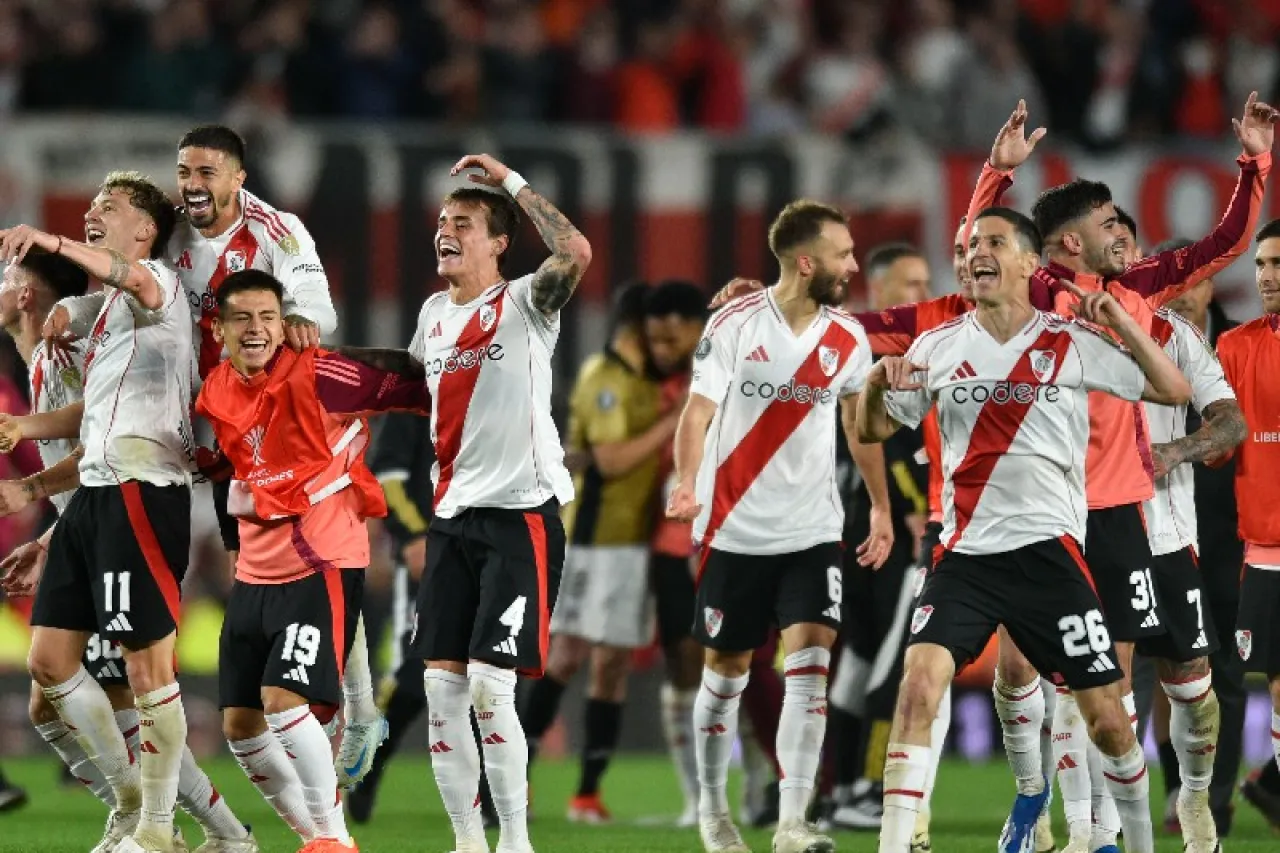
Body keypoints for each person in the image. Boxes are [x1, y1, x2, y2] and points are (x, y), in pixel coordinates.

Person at [45, 125, 385, 791]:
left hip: (263, 427)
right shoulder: (170, 230)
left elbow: (321, 309)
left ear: (237, 178)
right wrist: (76, 312)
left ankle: (363, 706)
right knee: (248, 567)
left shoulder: (277, 231)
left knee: (309, 563)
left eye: (206, 172)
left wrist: (294, 319)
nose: (192, 185)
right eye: (184, 172)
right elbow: (135, 288)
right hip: (198, 432)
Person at [860, 206, 1193, 853]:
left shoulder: (1069, 342)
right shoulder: (938, 345)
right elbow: (872, 428)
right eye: (968, 244)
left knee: (1109, 721)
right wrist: (876, 384)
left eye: (992, 242)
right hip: (966, 558)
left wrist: (1122, 321)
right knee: (918, 688)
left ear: (1028, 262)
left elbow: (1172, 389)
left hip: (1051, 558)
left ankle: (1140, 842)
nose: (974, 254)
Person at [341, 153, 591, 853]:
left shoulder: (526, 303)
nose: (445, 231)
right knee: (442, 689)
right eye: (443, 221)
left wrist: (509, 182)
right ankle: (466, 842)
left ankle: (513, 840)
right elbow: (410, 380)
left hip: (521, 518)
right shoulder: (433, 314)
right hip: (452, 521)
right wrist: (324, 367)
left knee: (489, 685)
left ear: (499, 241)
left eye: (464, 222)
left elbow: (575, 250)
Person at [0, 253, 258, 852]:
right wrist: (51, 536)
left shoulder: (66, 354)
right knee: (52, 703)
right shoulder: (40, 356)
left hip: (124, 519)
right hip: (89, 527)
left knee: (114, 700)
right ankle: (215, 831)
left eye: (6, 276)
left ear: (28, 296)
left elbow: (97, 443)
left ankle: (147, 816)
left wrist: (36, 494)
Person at [666, 199, 893, 853]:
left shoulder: (848, 337)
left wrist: (877, 505)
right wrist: (687, 480)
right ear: (805, 261)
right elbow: (697, 412)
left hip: (813, 529)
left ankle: (794, 821)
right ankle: (714, 814)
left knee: (811, 661)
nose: (853, 265)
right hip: (733, 528)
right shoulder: (735, 323)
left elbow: (859, 426)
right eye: (843, 254)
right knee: (728, 673)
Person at [197, 269, 432, 853]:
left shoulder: (320, 371)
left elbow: (419, 383)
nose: (255, 330)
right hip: (254, 570)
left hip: (321, 558)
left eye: (267, 317)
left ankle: (334, 836)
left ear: (285, 324)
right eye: (241, 318)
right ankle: (315, 834)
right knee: (241, 726)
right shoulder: (216, 388)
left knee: (283, 701)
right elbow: (228, 469)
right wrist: (232, 546)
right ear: (219, 329)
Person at [0, 172, 194, 853]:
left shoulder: (160, 286)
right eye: (88, 209)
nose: (91, 215)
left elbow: (119, 277)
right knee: (50, 671)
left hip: (139, 492)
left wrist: (46, 239)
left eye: (107, 208)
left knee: (142, 676)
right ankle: (134, 803)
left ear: (144, 230)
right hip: (91, 498)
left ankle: (169, 827)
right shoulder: (102, 314)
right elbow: (83, 396)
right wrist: (43, 511)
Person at [519, 281, 671, 822]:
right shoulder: (604, 378)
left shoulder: (651, 381)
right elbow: (609, 461)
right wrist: (670, 426)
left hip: (633, 544)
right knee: (564, 658)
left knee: (612, 667)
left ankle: (587, 793)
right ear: (639, 327)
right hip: (590, 541)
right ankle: (517, 781)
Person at [1133, 240, 1249, 837]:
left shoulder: (1232, 344)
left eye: (1193, 279)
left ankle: (1211, 800)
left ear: (1210, 286)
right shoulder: (1125, 332)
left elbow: (1240, 423)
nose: (1181, 288)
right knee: (1132, 673)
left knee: (1211, 669)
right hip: (1129, 528)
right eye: (1170, 278)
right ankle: (1160, 794)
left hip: (1224, 528)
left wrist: (1175, 453)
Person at [826, 243, 930, 833]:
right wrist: (911, 508)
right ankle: (861, 788)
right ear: (881, 290)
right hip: (877, 533)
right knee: (887, 667)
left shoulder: (847, 346)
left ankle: (842, 789)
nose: (921, 295)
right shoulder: (873, 354)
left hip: (849, 530)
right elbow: (884, 443)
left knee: (859, 664)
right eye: (910, 284)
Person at [641, 279, 716, 826]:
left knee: (741, 661)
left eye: (672, 337)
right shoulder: (650, 389)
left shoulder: (728, 375)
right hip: (670, 542)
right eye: (656, 339)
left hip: (730, 536)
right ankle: (697, 799)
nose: (662, 348)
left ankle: (763, 782)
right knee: (681, 660)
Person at [1218, 217, 1280, 795]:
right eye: (1260, 263)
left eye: (1277, 263)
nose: (1266, 275)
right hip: (1267, 548)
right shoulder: (1235, 347)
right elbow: (1218, 446)